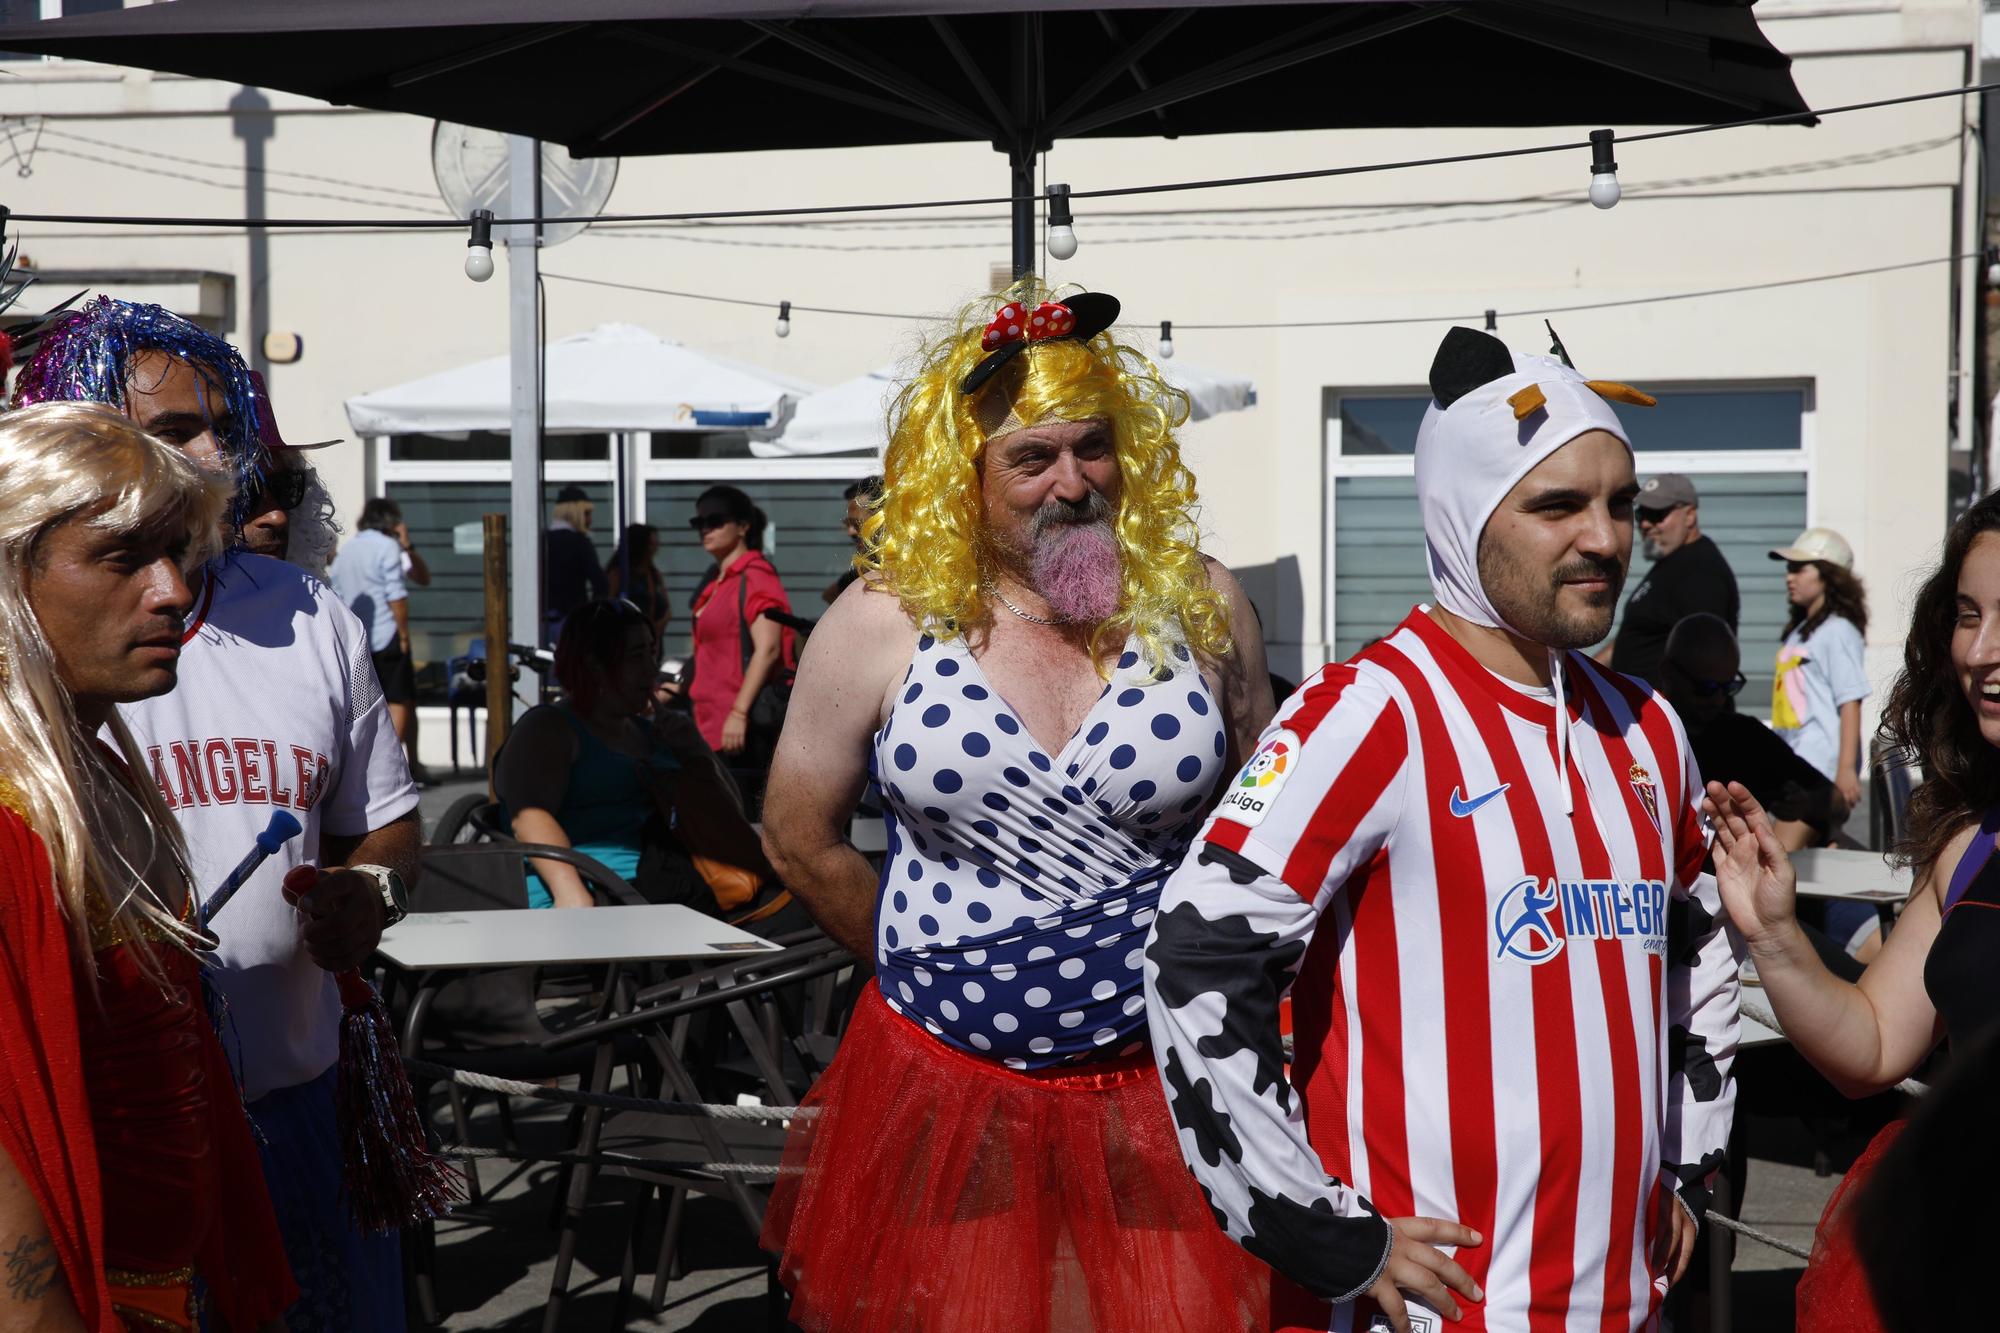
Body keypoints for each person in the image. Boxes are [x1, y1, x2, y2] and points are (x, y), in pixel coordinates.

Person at [1145, 325, 1741, 1333]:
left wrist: (1687, 1163)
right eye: (1554, 504)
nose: (1602, 536)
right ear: (1461, 515)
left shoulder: (1648, 724)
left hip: (1624, 1306)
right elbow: (1195, 962)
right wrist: (1321, 1230)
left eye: (1614, 503)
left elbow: (1699, 945)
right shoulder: (1367, 713)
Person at [759, 281, 1277, 1332]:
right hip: (945, 1086)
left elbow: (1265, 831)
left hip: (1166, 1083)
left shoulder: (1202, 603)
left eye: (1092, 447)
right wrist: (934, 971)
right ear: (965, 475)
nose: (1071, 483)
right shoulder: (879, 622)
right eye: (1029, 459)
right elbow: (798, 837)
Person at [13, 299, 422, 1332]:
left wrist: (367, 888)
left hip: (293, 1101)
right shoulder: (27, 780)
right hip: (101, 1187)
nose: (215, 457)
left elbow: (385, 823)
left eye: (224, 429)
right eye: (171, 434)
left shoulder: (304, 610)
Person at [0, 400, 299, 1332]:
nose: (174, 591)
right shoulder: (11, 825)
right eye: (124, 558)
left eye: (180, 555)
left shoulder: (98, 776)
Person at [1703, 486, 2000, 1333]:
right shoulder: (1968, 844)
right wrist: (1773, 932)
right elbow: (1871, 1045)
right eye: (1968, 614)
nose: (1982, 650)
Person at [493, 598, 788, 924]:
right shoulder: (549, 727)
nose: (651, 668)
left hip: (671, 884)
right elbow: (529, 815)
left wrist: (696, 750)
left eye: (651, 652)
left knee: (809, 904)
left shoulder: (650, 732)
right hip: (601, 894)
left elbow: (730, 813)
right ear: (594, 666)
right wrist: (570, 890)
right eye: (637, 657)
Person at [1770, 526, 1874, 955]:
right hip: (1793, 768)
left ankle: (1786, 958)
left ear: (1829, 574)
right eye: (1788, 568)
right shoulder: (1802, 632)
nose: (1789, 576)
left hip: (1817, 772)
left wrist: (1846, 770)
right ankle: (1865, 941)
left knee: (1772, 865)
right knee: (1812, 868)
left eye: (1800, 567)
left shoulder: (1838, 631)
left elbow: (1851, 701)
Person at [1662, 612, 1840, 850]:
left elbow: (1835, 800)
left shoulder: (1744, 737)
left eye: (1728, 687)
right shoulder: (1643, 734)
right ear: (1668, 674)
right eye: (1705, 688)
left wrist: (1804, 804)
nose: (1717, 699)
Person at [686, 485, 794, 765]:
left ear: (743, 526)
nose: (705, 529)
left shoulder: (755, 574)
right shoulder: (716, 580)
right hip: (707, 720)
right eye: (699, 522)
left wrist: (738, 713)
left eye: (715, 521)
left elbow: (768, 649)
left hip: (739, 728)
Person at [1601, 472, 1739, 686]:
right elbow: (1636, 636)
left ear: (1690, 515)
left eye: (1657, 514)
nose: (1646, 524)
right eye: (1641, 515)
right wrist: (1581, 672)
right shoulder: (1672, 564)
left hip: (1672, 714)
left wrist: (1682, 714)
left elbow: (1705, 658)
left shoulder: (1700, 571)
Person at [329, 497, 426, 780]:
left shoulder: (349, 550)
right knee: (399, 699)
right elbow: (396, 594)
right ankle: (389, 770)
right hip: (386, 633)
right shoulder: (387, 546)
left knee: (373, 703)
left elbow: (339, 592)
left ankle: (393, 766)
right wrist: (404, 635)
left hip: (358, 638)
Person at [543, 485, 606, 645]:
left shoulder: (541, 540)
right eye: (587, 513)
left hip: (540, 621)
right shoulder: (580, 542)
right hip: (571, 621)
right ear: (574, 513)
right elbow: (601, 584)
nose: (590, 520)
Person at [821, 474, 882, 604]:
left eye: (857, 524)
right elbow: (828, 595)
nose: (850, 532)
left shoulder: (910, 574)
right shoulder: (857, 575)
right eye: (848, 523)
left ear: (881, 520)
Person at [606, 522, 671, 644]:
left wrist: (655, 629)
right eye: (650, 545)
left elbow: (668, 609)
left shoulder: (654, 575)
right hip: (626, 641)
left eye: (656, 544)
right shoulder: (619, 575)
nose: (655, 549)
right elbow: (607, 607)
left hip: (652, 642)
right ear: (639, 546)